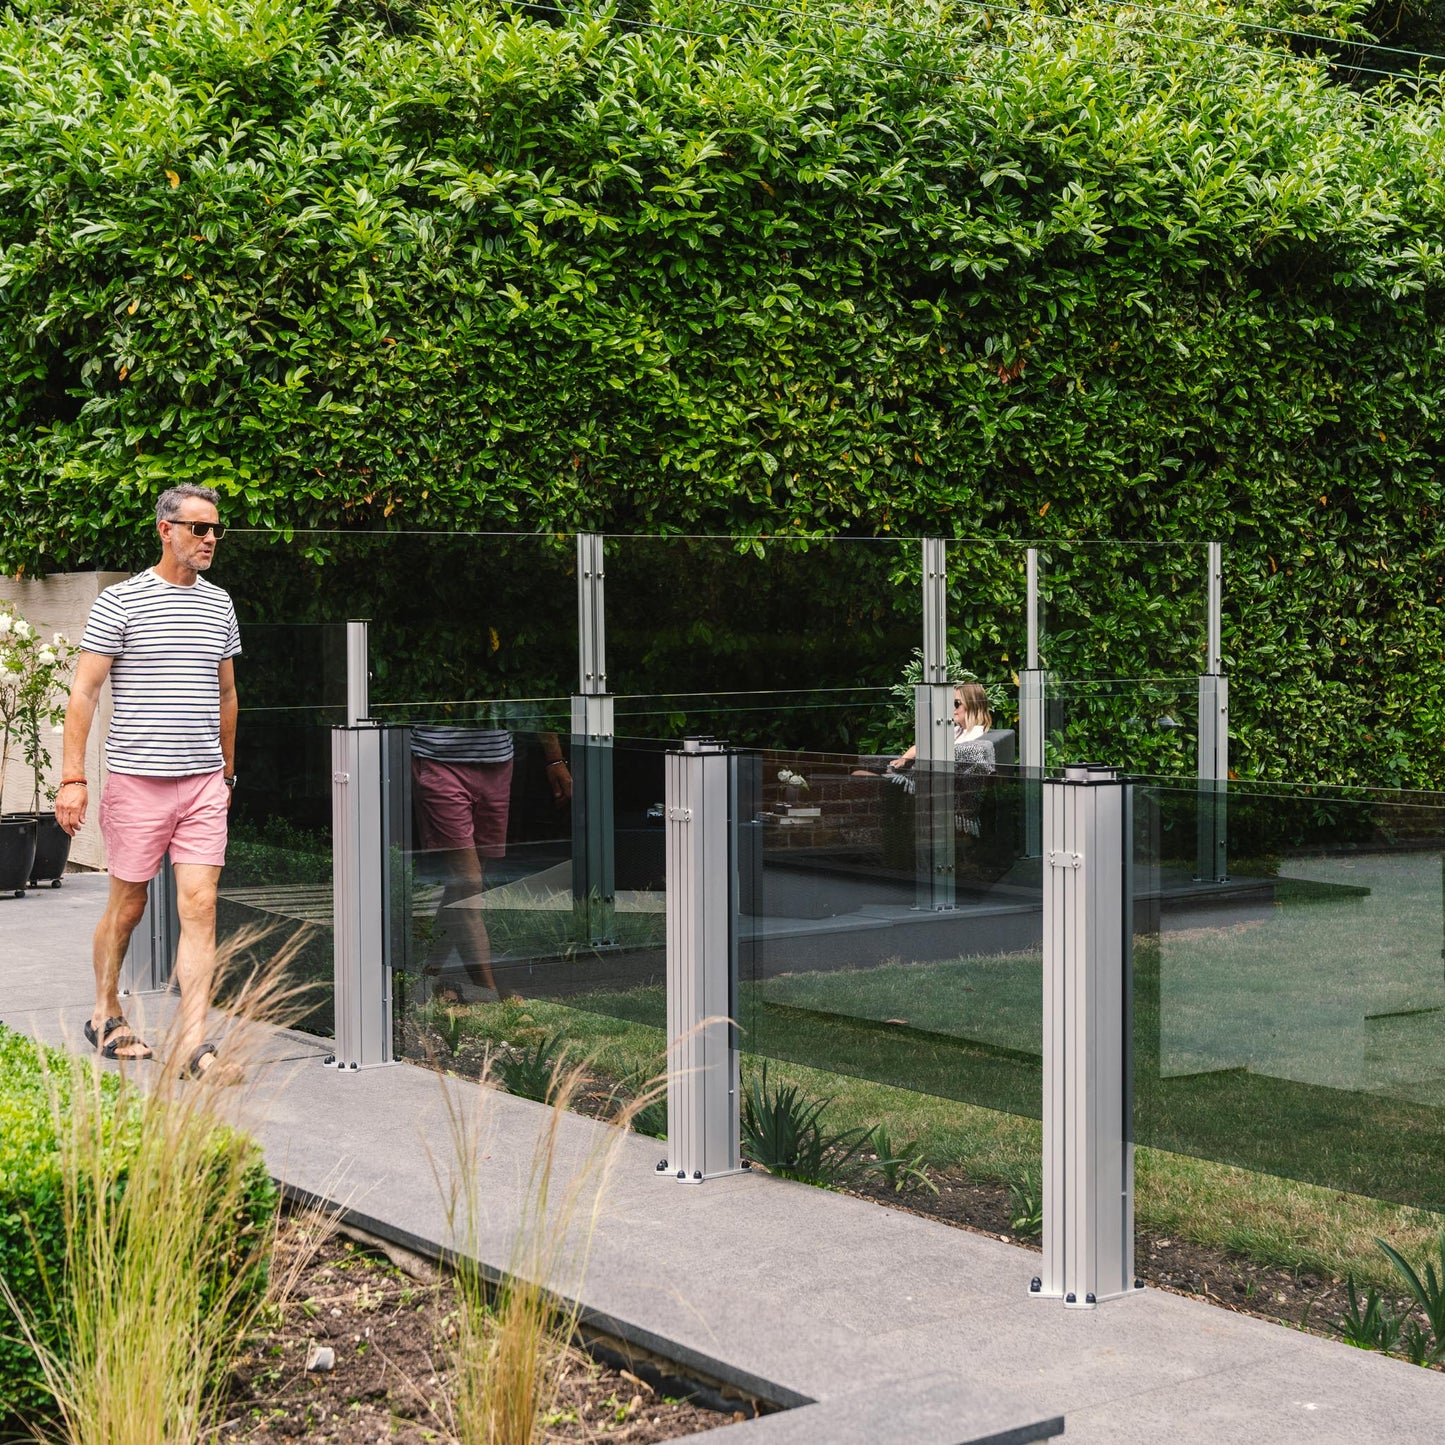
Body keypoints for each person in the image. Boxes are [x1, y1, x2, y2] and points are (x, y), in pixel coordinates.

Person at [54, 484, 240, 1080]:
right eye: (198, 529)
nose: (210, 539)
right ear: (166, 530)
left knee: (201, 905)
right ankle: (106, 1011)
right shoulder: (120, 602)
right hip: (138, 783)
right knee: (128, 905)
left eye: (215, 530)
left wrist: (228, 773)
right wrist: (74, 778)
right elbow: (83, 692)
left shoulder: (220, 605)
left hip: (205, 782)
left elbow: (227, 693)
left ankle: (193, 1044)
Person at [410, 722, 571, 999]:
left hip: (497, 765)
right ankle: (487, 995)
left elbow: (526, 690)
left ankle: (422, 980)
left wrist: (554, 758)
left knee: (463, 888)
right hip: (439, 761)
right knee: (470, 884)